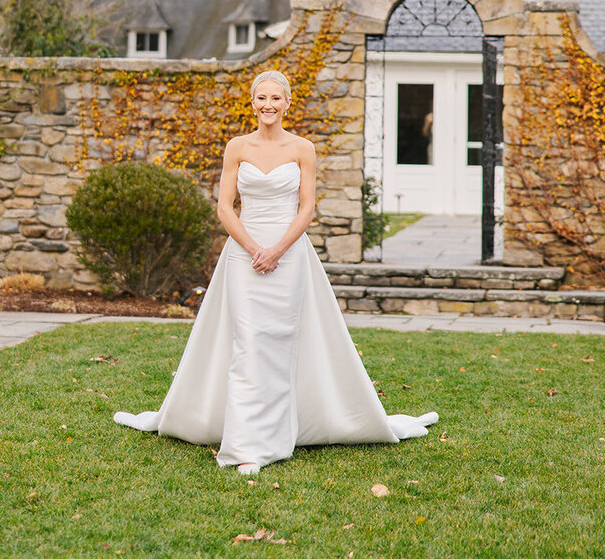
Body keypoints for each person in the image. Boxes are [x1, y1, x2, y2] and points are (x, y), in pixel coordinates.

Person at [114, 70, 436, 475]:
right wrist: (253, 249)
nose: (268, 105)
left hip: (289, 257)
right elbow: (225, 207)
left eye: (275, 99)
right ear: (252, 102)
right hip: (243, 258)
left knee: (282, 344)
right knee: (248, 344)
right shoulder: (237, 147)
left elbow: (306, 208)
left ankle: (280, 431)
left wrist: (277, 250)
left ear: (287, 103)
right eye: (261, 98)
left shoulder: (303, 148)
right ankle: (249, 446)